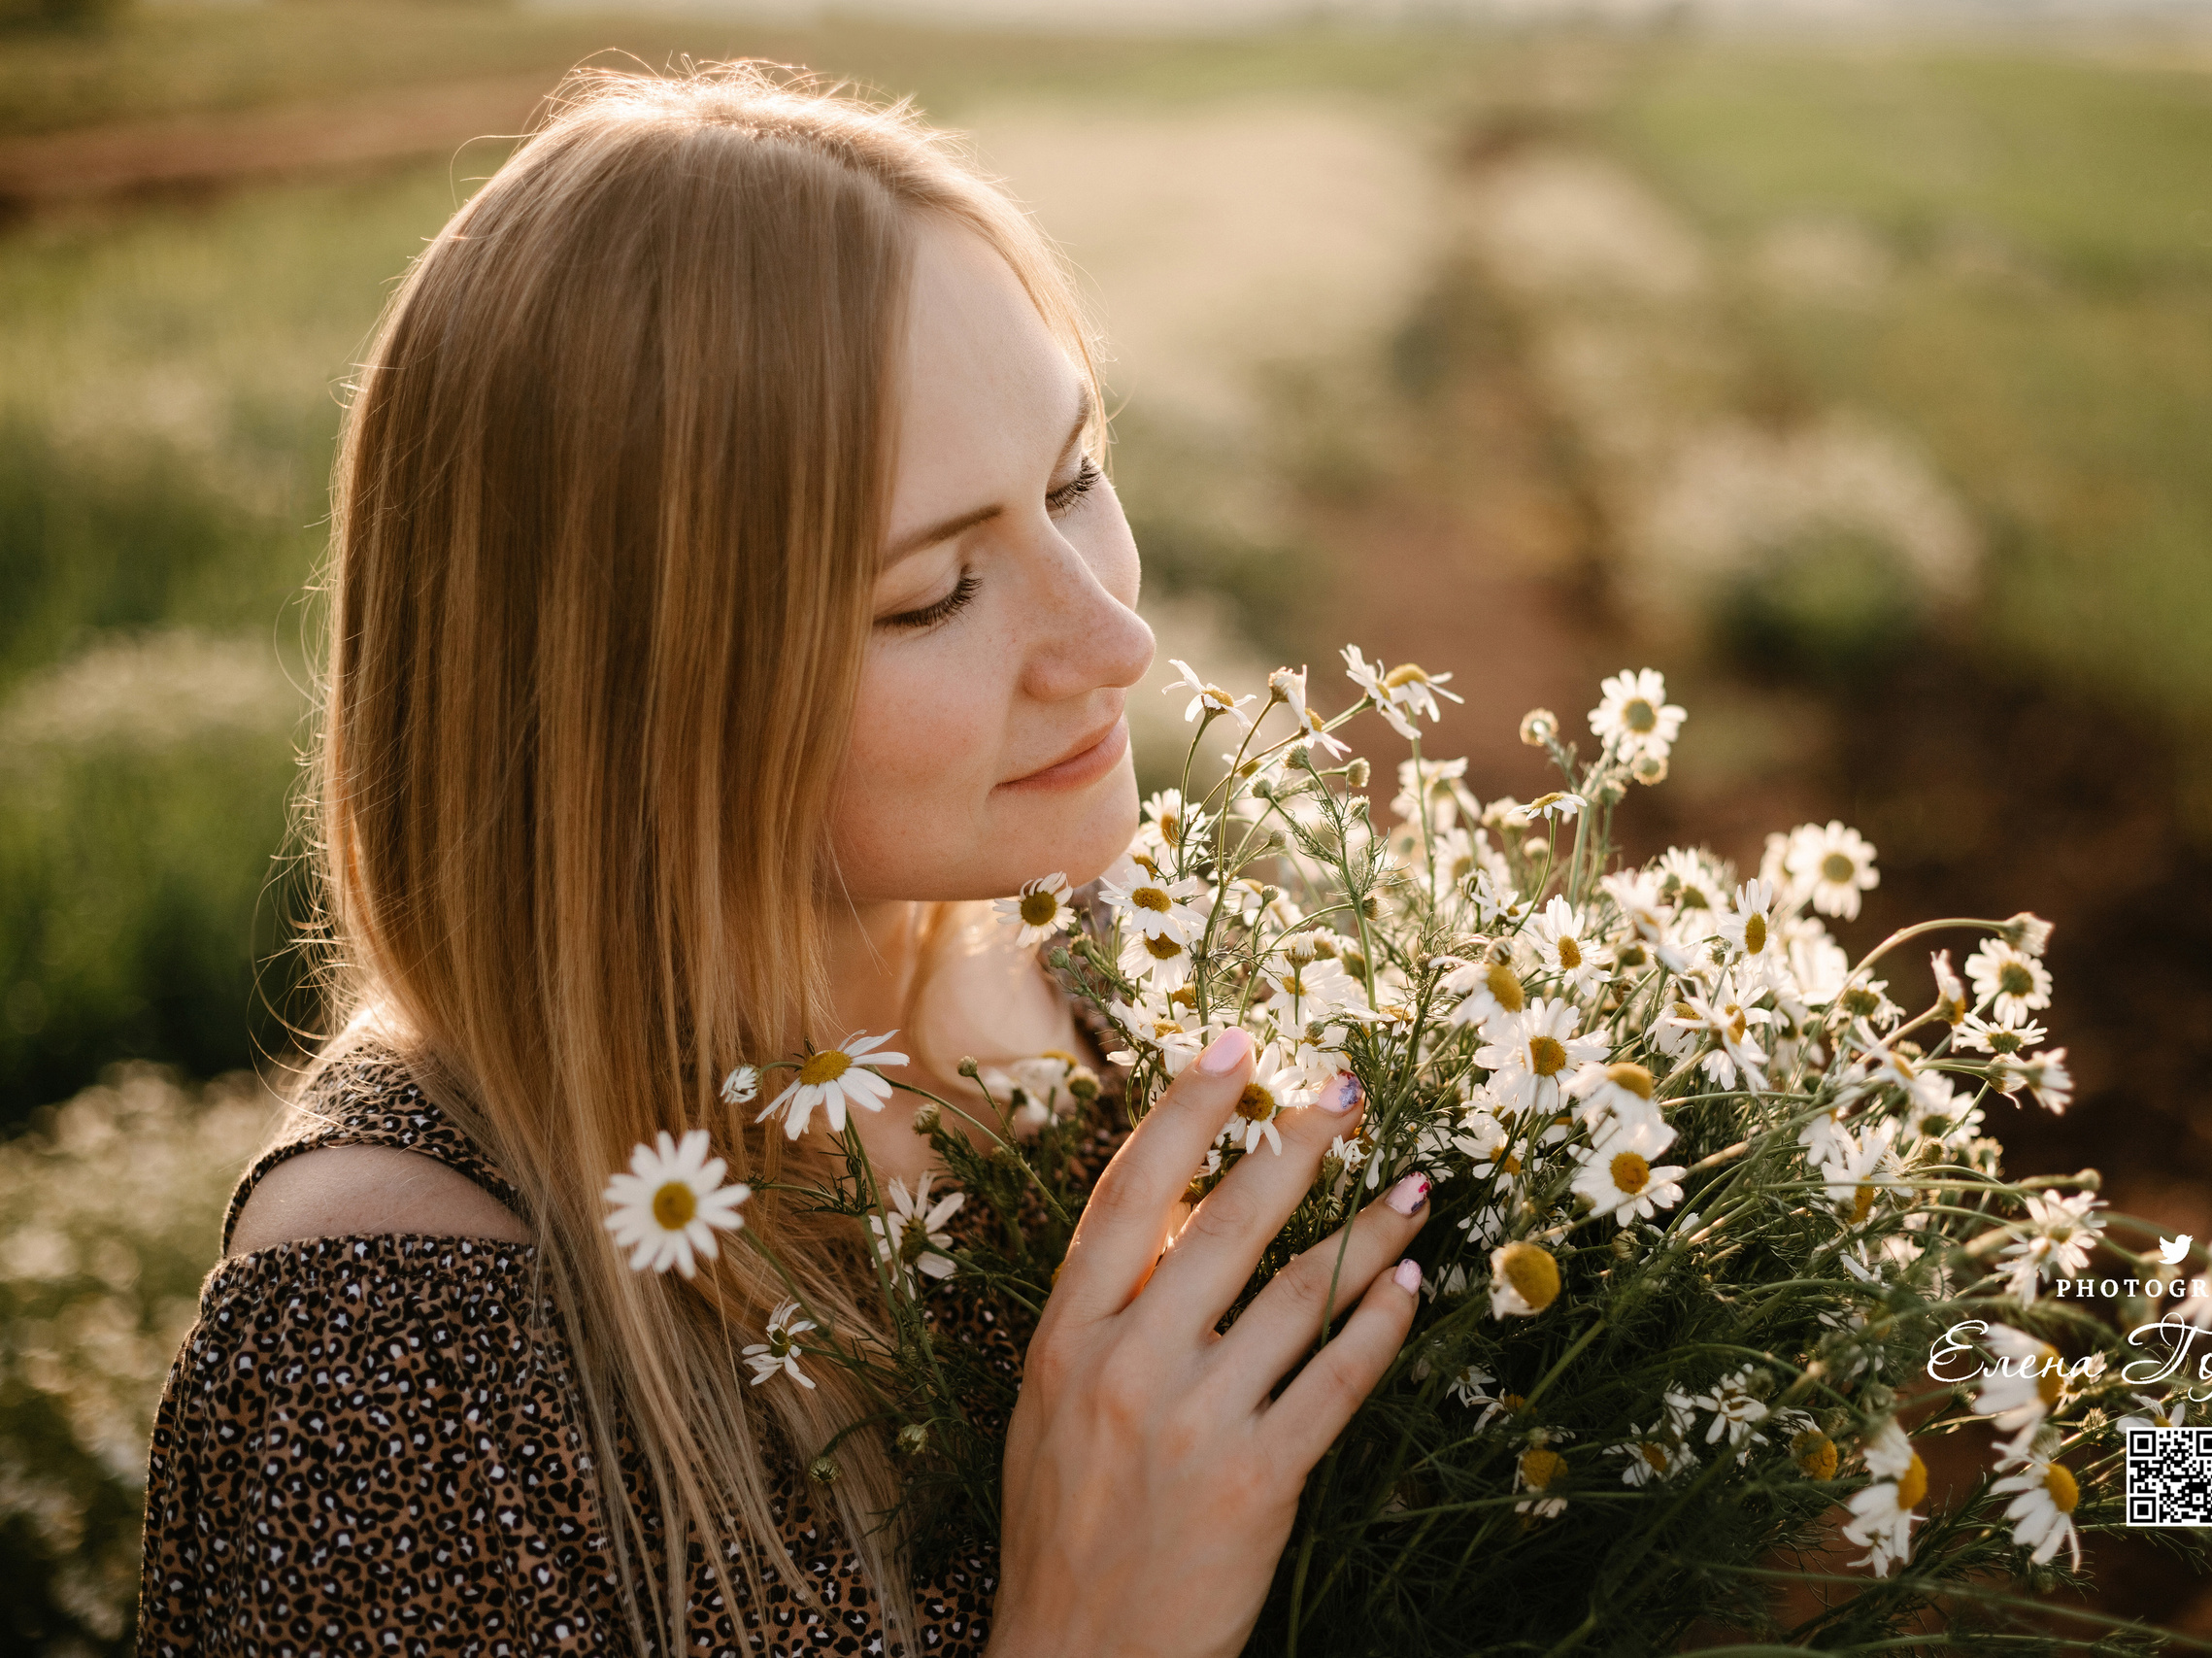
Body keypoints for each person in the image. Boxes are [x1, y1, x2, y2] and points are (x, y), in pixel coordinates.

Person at [136, 65, 1434, 1658]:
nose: (1116, 641)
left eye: (1075, 479)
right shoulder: (392, 1365)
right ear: (625, 698)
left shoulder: (1113, 963)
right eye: (930, 594)